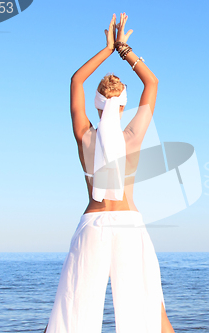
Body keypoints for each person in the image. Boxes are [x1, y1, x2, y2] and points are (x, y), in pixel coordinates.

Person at [43, 12, 175, 333]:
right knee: (153, 314)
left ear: (98, 104)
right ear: (123, 104)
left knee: (67, 313)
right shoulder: (132, 137)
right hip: (130, 224)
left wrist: (105, 49)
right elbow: (153, 83)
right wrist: (123, 49)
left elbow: (76, 80)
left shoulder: (85, 135)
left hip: (93, 224)